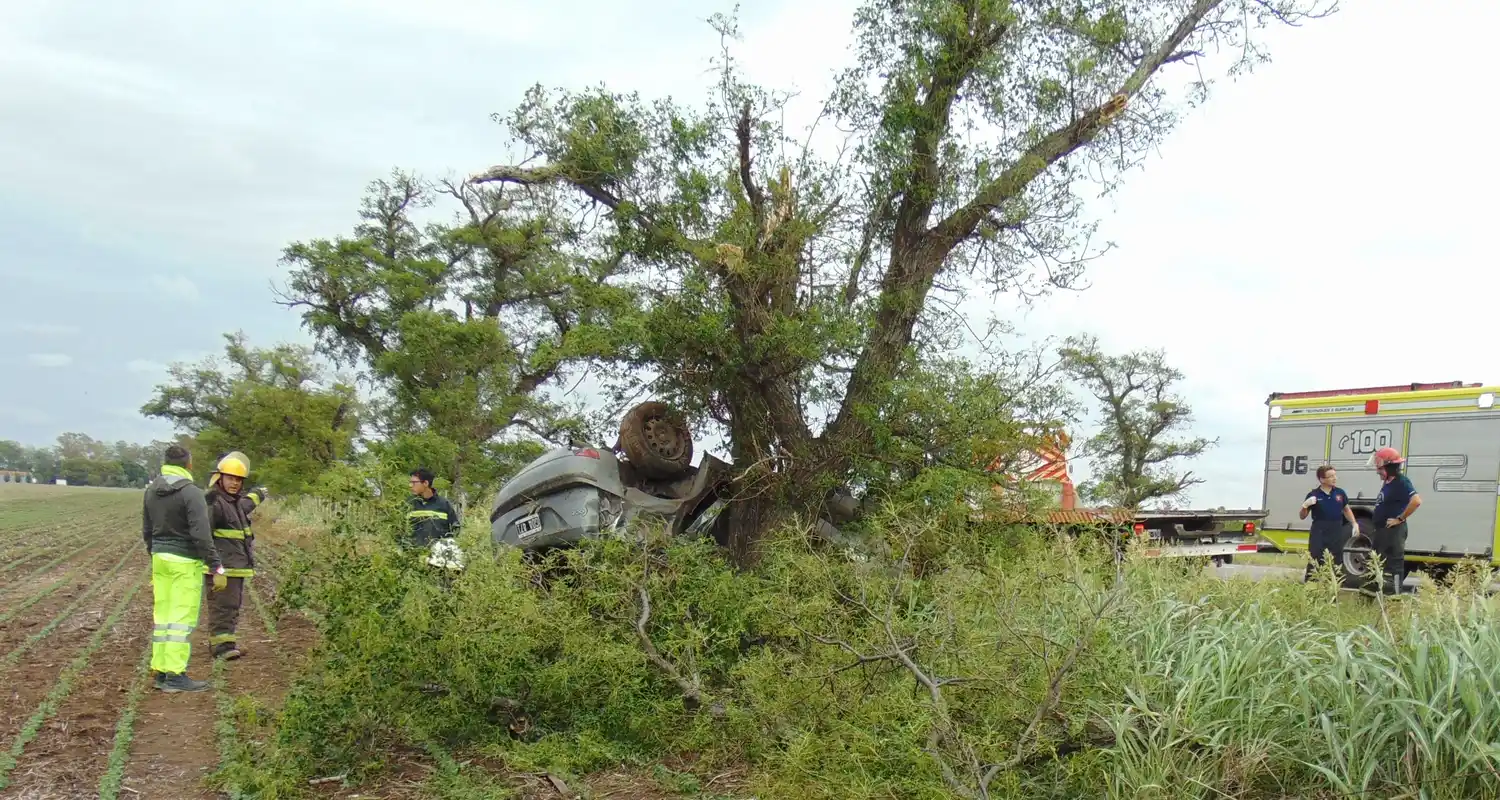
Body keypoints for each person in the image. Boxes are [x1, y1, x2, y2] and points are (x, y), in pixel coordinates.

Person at [142, 445, 226, 692]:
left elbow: (147, 529)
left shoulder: (151, 491)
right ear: (189, 464)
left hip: (160, 558)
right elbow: (201, 534)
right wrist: (216, 565)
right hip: (184, 562)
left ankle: (160, 671)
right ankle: (176, 675)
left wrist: (154, 552)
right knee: (180, 620)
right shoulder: (190, 492)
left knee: (164, 618)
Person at [203, 453, 268, 661]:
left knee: (231, 606)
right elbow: (204, 536)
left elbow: (245, 505)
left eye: (238, 480)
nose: (235, 483)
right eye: (231, 478)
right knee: (223, 606)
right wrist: (215, 568)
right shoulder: (214, 502)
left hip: (234, 566)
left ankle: (227, 643)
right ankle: (220, 648)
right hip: (223, 567)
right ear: (219, 478)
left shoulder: (232, 502)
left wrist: (259, 495)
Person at [1369, 446, 1421, 594]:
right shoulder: (1388, 482)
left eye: (1380, 468)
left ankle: (1394, 594)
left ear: (1389, 467)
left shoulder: (1402, 482)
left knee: (1394, 564)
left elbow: (1416, 501)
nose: (1377, 471)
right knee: (1378, 563)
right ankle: (1375, 593)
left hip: (1393, 531)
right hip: (1382, 531)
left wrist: (1400, 518)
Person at [1299, 465, 1359, 581]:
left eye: (1335, 475)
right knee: (1315, 558)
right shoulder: (1314, 495)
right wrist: (1305, 506)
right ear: (1322, 479)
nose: (1334, 478)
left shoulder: (1340, 493)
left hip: (1336, 529)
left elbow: (1346, 509)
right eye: (1331, 476)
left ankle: (1333, 585)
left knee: (1336, 558)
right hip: (1319, 530)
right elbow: (1302, 516)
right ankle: (1311, 585)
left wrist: (1354, 523)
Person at [407, 468, 460, 548]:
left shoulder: (444, 504)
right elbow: (398, 531)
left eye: (414, 482)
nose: (410, 485)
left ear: (425, 483)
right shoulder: (408, 504)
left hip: (437, 557)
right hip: (412, 556)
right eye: (410, 482)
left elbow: (455, 529)